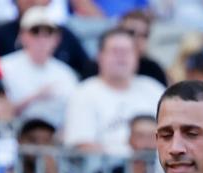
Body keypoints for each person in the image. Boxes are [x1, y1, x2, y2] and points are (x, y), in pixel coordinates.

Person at [63, 28, 165, 156]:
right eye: (115, 51)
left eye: (127, 51)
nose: (121, 56)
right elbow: (81, 145)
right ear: (100, 56)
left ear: (136, 57)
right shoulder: (83, 93)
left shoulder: (153, 89)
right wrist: (132, 157)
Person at [0, 6, 79, 123]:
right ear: (22, 36)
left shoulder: (66, 74)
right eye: (35, 32)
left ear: (57, 39)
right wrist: (35, 97)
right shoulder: (4, 67)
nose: (41, 39)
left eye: (48, 33)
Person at [0, 0, 92, 77]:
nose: (33, 0)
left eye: (47, 34)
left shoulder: (66, 35)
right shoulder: (0, 35)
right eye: (35, 32)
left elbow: (87, 70)